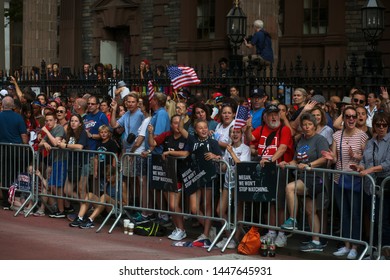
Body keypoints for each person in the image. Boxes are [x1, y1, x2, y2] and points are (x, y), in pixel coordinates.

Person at [322, 107, 368, 259]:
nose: (351, 119)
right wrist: (331, 157)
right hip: (339, 178)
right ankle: (346, 245)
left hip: (355, 179)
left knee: (355, 213)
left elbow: (366, 158)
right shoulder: (337, 135)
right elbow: (335, 158)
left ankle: (354, 246)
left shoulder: (362, 136)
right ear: (343, 118)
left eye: (354, 116)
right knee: (343, 213)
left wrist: (355, 155)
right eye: (347, 116)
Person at [245, 104, 294, 247]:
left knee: (279, 203)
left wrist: (270, 161)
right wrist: (248, 127)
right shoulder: (261, 129)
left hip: (278, 169)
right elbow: (250, 138)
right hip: (266, 170)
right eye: (271, 114)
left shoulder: (284, 129)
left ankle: (282, 234)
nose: (274, 117)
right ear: (265, 117)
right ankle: (272, 231)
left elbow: (283, 147)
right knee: (270, 202)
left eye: (276, 114)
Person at [279, 113, 329, 252]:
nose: (306, 127)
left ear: (315, 126)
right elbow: (296, 160)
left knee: (290, 188)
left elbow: (325, 158)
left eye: (309, 125)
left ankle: (292, 220)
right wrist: (287, 163)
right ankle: (316, 242)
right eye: (304, 125)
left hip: (316, 178)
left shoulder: (320, 139)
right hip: (304, 177)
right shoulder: (301, 140)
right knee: (310, 211)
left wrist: (310, 165)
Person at [350, 111, 390, 252]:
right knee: (372, 220)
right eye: (378, 125)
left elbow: (387, 164)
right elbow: (364, 161)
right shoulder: (370, 142)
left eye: (384, 125)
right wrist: (359, 167)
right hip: (370, 187)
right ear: (373, 126)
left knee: (383, 220)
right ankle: (373, 249)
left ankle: (384, 251)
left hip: (385, 187)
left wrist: (370, 170)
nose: (381, 127)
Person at [148, 115, 190, 240]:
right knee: (170, 205)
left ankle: (182, 229)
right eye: (175, 123)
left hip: (180, 175)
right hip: (167, 174)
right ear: (171, 125)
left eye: (179, 123)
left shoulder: (185, 136)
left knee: (173, 205)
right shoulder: (167, 135)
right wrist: (150, 133)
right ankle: (177, 228)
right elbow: (153, 143)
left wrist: (170, 152)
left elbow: (186, 153)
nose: (177, 125)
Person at [215, 126, 251, 249]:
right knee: (220, 210)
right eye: (232, 132)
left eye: (237, 132)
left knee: (238, 212)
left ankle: (235, 238)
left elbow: (241, 165)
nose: (235, 134)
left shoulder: (245, 149)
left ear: (241, 134)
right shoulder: (228, 149)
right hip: (227, 183)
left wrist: (231, 152)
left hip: (239, 183)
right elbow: (225, 166)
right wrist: (220, 161)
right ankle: (228, 235)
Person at [0, 96, 28, 209]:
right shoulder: (18, 117)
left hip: (3, 149)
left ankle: (7, 201)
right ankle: (15, 197)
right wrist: (25, 145)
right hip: (17, 149)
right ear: (13, 106)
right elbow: (24, 135)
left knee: (5, 175)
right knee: (17, 173)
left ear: (2, 105)